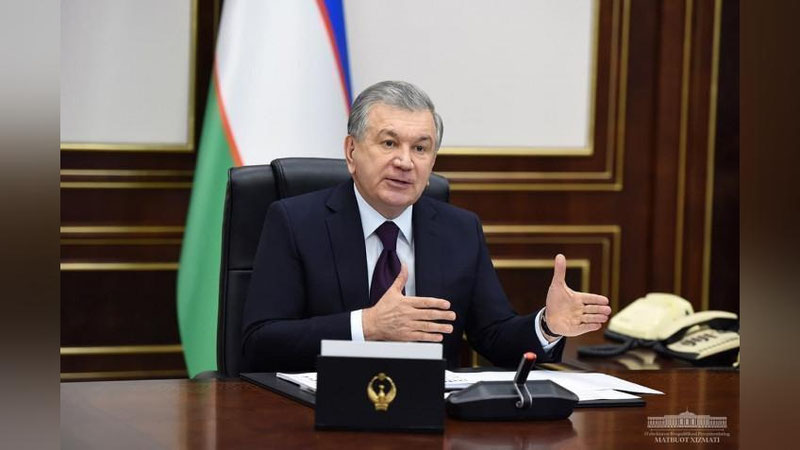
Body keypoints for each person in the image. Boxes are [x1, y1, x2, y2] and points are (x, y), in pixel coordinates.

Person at [242, 81, 611, 372]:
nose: (405, 162)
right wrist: (367, 326)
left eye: (420, 148)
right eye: (389, 143)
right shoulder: (295, 222)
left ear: (433, 160)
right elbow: (260, 343)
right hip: (318, 415)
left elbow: (494, 337)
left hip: (431, 418)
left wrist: (547, 325)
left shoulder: (459, 230)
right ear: (351, 152)